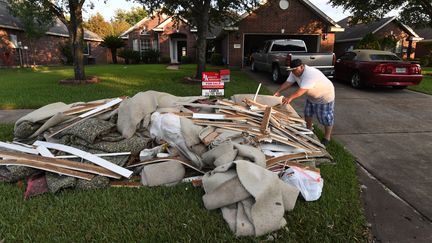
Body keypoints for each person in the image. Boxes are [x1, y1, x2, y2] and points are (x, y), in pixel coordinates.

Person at [273, 59, 335, 146]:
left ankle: (327, 138)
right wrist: (278, 91)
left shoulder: (310, 74)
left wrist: (290, 98)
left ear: (302, 67)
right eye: (292, 70)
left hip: (325, 96)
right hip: (312, 96)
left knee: (325, 117)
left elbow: (302, 90)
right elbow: (288, 83)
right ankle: (309, 130)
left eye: (295, 70)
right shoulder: (294, 72)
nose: (293, 72)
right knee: (308, 113)